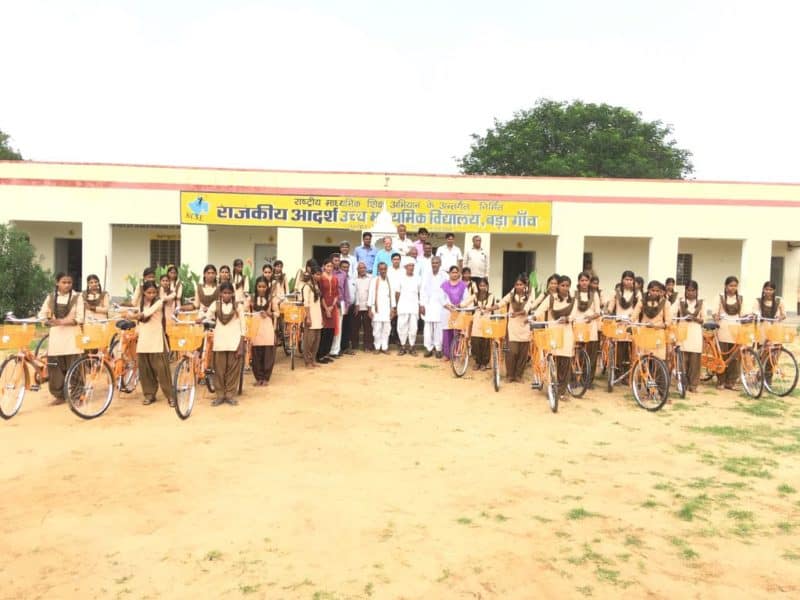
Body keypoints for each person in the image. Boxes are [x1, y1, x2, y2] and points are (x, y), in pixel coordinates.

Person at [38, 272, 81, 405]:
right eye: (64, 282)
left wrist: (63, 322)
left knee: (75, 366)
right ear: (57, 283)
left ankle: (78, 395)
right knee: (55, 367)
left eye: (69, 282)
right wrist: (46, 321)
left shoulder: (77, 297)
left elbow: (80, 318)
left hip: (72, 336)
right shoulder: (50, 297)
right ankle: (59, 395)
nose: (67, 285)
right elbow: (42, 314)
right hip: (56, 337)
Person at [534, 275, 578, 399]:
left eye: (567, 286)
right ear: (558, 286)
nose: (565, 288)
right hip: (553, 331)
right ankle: (551, 387)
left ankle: (562, 391)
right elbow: (540, 310)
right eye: (562, 285)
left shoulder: (573, 300)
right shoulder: (551, 299)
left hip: (567, 332)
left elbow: (574, 315)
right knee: (552, 359)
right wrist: (533, 317)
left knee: (565, 362)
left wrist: (568, 318)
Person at [203, 281, 246, 405]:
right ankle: (220, 395)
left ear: (232, 293)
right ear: (220, 293)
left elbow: (243, 325)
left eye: (229, 293)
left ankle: (230, 395)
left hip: (234, 342)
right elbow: (208, 316)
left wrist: (241, 344)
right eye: (224, 293)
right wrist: (201, 319)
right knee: (219, 371)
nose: (226, 295)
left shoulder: (238, 306)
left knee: (233, 371)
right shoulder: (215, 305)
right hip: (220, 342)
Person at [134, 280, 174, 406]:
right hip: (144, 339)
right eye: (148, 292)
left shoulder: (158, 302)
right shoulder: (140, 303)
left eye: (153, 292)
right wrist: (137, 289)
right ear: (144, 292)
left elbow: (147, 313)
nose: (151, 294)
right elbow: (133, 303)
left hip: (156, 338)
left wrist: (132, 316)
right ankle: (149, 394)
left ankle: (170, 396)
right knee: (145, 370)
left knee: (162, 370)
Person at [498, 274, 532, 383]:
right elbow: (502, 302)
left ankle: (518, 375)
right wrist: (490, 308)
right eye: (517, 284)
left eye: (521, 284)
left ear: (525, 285)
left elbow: (526, 309)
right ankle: (510, 375)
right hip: (512, 327)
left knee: (523, 353)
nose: (519, 286)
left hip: (525, 326)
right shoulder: (511, 295)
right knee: (511, 352)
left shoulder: (529, 295)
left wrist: (517, 313)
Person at [607, 270, 640, 376]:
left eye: (630, 279)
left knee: (631, 350)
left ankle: (628, 374)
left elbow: (639, 308)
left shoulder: (637, 293)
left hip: (632, 324)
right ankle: (617, 372)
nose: (628, 281)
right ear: (622, 280)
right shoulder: (616, 292)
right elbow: (611, 307)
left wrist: (632, 318)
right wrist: (607, 313)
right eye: (626, 279)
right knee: (619, 349)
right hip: (619, 323)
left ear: (633, 281)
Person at [672, 280, 704, 393]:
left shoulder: (700, 303)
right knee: (682, 359)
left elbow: (703, 320)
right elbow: (673, 315)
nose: (690, 293)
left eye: (693, 290)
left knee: (695, 360)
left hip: (695, 332)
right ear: (685, 291)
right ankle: (682, 384)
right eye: (688, 290)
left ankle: (693, 385)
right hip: (682, 331)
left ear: (696, 291)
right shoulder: (680, 302)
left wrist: (694, 318)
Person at [713, 275, 743, 390]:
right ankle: (721, 381)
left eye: (735, 286)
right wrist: (717, 316)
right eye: (731, 285)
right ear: (726, 286)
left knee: (734, 358)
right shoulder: (719, 297)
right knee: (722, 356)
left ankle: (731, 382)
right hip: (723, 330)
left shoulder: (740, 299)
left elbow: (743, 314)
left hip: (736, 330)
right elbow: (715, 313)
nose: (733, 288)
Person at [632, 280, 671, 361]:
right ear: (648, 290)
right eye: (653, 290)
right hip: (644, 333)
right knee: (644, 359)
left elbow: (668, 322)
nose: (655, 293)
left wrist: (656, 326)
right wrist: (629, 321)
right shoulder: (642, 301)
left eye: (657, 291)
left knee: (658, 360)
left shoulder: (665, 303)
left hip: (658, 334)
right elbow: (634, 315)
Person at [574, 272, 601, 385]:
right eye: (582, 280)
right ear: (579, 282)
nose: (584, 282)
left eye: (586, 280)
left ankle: (588, 381)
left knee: (591, 355)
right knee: (576, 354)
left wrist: (591, 317)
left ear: (589, 282)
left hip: (591, 327)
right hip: (577, 326)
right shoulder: (574, 294)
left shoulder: (594, 294)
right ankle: (574, 379)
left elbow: (598, 312)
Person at [249, 276, 276, 386]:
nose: (262, 289)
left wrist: (269, 314)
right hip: (255, 329)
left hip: (268, 328)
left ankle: (266, 378)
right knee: (256, 354)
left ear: (267, 287)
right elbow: (246, 312)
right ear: (256, 287)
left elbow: (277, 313)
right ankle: (258, 377)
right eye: (259, 286)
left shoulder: (271, 300)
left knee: (268, 354)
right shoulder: (251, 299)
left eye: (264, 286)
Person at [468, 278, 497, 370]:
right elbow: (467, 302)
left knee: (485, 342)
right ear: (478, 286)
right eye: (480, 286)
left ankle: (484, 362)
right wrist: (459, 305)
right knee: (475, 341)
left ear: (487, 286)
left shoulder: (491, 295)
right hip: (477, 320)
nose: (482, 287)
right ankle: (477, 362)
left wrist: (483, 307)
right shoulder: (475, 295)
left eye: (484, 285)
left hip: (487, 319)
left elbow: (488, 306)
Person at [420, 256, 447, 358]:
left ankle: (438, 349)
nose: (434, 264)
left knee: (438, 328)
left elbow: (447, 291)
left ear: (440, 264)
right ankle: (429, 348)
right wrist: (422, 304)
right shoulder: (426, 274)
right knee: (428, 328)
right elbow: (423, 290)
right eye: (433, 263)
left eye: (436, 263)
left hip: (440, 305)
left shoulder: (444, 275)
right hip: (428, 304)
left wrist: (446, 304)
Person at [441, 265, 469, 360]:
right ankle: (446, 354)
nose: (454, 274)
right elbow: (441, 298)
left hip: (459, 312)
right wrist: (448, 306)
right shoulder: (444, 285)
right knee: (447, 332)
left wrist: (459, 306)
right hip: (447, 312)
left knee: (457, 332)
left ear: (459, 274)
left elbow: (466, 299)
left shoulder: (463, 286)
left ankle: (457, 353)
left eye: (456, 272)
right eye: (452, 272)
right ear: (449, 273)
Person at [368, 261, 396, 353]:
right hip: (376, 309)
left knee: (386, 329)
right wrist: (369, 309)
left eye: (385, 269)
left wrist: (393, 309)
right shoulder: (374, 280)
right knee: (377, 329)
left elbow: (392, 295)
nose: (383, 271)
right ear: (378, 270)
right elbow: (371, 295)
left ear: (387, 269)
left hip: (387, 309)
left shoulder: (390, 280)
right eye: (381, 269)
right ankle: (377, 347)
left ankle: (384, 347)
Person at [395, 258, 421, 355]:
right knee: (401, 326)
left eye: (413, 265)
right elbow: (397, 293)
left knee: (413, 328)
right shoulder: (400, 277)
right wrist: (397, 306)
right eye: (409, 265)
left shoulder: (418, 278)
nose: (411, 267)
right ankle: (402, 347)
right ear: (405, 267)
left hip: (414, 306)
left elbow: (419, 293)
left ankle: (412, 347)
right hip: (403, 305)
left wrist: (419, 305)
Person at [318, 258, 339, 363]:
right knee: (324, 331)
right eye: (328, 266)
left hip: (333, 308)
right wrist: (326, 309)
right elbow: (320, 295)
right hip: (323, 308)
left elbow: (336, 294)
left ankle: (326, 353)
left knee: (331, 331)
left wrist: (332, 307)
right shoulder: (321, 278)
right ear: (324, 266)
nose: (329, 268)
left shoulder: (335, 278)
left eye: (331, 266)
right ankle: (320, 355)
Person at [302, 266, 323, 368]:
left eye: (320, 274)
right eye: (317, 274)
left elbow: (318, 303)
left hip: (318, 315)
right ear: (312, 275)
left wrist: (321, 317)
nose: (319, 276)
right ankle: (307, 361)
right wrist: (308, 317)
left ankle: (313, 360)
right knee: (309, 340)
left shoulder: (316, 286)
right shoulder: (307, 287)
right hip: (310, 316)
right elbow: (306, 303)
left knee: (316, 340)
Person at [339, 257, 356, 355]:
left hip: (351, 306)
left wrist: (355, 304)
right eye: (344, 267)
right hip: (341, 306)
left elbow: (355, 292)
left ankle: (345, 347)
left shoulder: (352, 279)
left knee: (348, 327)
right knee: (340, 327)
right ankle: (338, 348)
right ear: (340, 267)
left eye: (347, 267)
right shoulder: (338, 277)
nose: (346, 269)